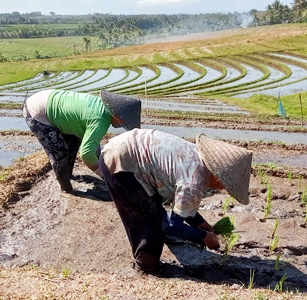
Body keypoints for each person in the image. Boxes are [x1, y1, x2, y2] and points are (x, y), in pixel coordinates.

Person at [99, 128, 252, 273]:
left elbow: (181, 200)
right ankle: (146, 267)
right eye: (225, 186)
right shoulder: (195, 180)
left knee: (156, 214)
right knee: (151, 223)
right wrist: (204, 237)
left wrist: (200, 223)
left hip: (123, 149)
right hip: (120, 164)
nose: (222, 189)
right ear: (219, 178)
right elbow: (170, 225)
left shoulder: (198, 157)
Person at [23, 89, 141, 193]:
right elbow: (86, 153)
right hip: (37, 112)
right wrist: (103, 174)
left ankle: (68, 174)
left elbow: (92, 145)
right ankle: (66, 188)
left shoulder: (102, 107)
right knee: (60, 152)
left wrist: (104, 162)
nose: (122, 125)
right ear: (116, 115)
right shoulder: (100, 120)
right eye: (123, 122)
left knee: (74, 141)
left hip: (45, 98)